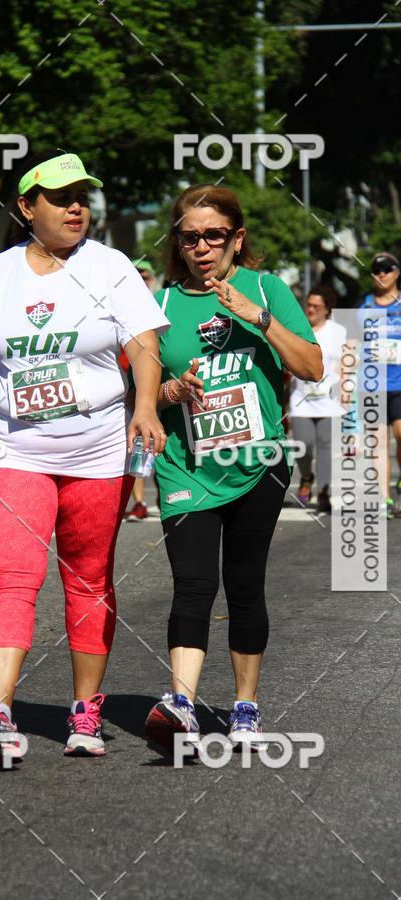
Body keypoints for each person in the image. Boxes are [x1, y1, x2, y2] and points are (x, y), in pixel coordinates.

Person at [0, 150, 169, 759]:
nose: (75, 206)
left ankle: (85, 713)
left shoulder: (111, 266)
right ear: (26, 207)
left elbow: (144, 347)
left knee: (88, 579)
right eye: (60, 197)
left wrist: (144, 408)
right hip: (13, 448)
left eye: (81, 195)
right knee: (11, 577)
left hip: (98, 451)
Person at [143, 184, 322, 753]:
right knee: (193, 583)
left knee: (245, 585)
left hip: (257, 462)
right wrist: (170, 389)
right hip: (185, 465)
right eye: (189, 237)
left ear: (236, 239)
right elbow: (140, 396)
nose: (201, 247)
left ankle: (245, 706)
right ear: (177, 242)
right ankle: (183, 705)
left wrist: (259, 318)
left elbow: (312, 366)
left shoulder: (267, 288)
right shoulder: (161, 306)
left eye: (213, 236)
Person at [289, 285, 347, 513]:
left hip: (330, 402)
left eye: (316, 306)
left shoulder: (338, 331)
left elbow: (348, 362)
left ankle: (323, 492)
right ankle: (306, 477)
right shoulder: (296, 329)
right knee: (304, 446)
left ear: (327, 309)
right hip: (301, 400)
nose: (310, 309)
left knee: (325, 447)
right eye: (308, 305)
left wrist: (346, 388)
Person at [359, 252, 401, 518]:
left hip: (400, 384)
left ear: (397, 272)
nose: (381, 274)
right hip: (372, 384)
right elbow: (352, 345)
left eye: (386, 269)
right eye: (376, 270)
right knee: (379, 443)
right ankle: (384, 498)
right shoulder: (363, 308)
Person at [125, 258, 161, 520]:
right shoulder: (121, 301)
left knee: (157, 444)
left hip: (159, 388)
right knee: (135, 445)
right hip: (128, 384)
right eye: (137, 276)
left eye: (145, 276)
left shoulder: (161, 302)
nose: (141, 281)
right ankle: (139, 501)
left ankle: (163, 488)